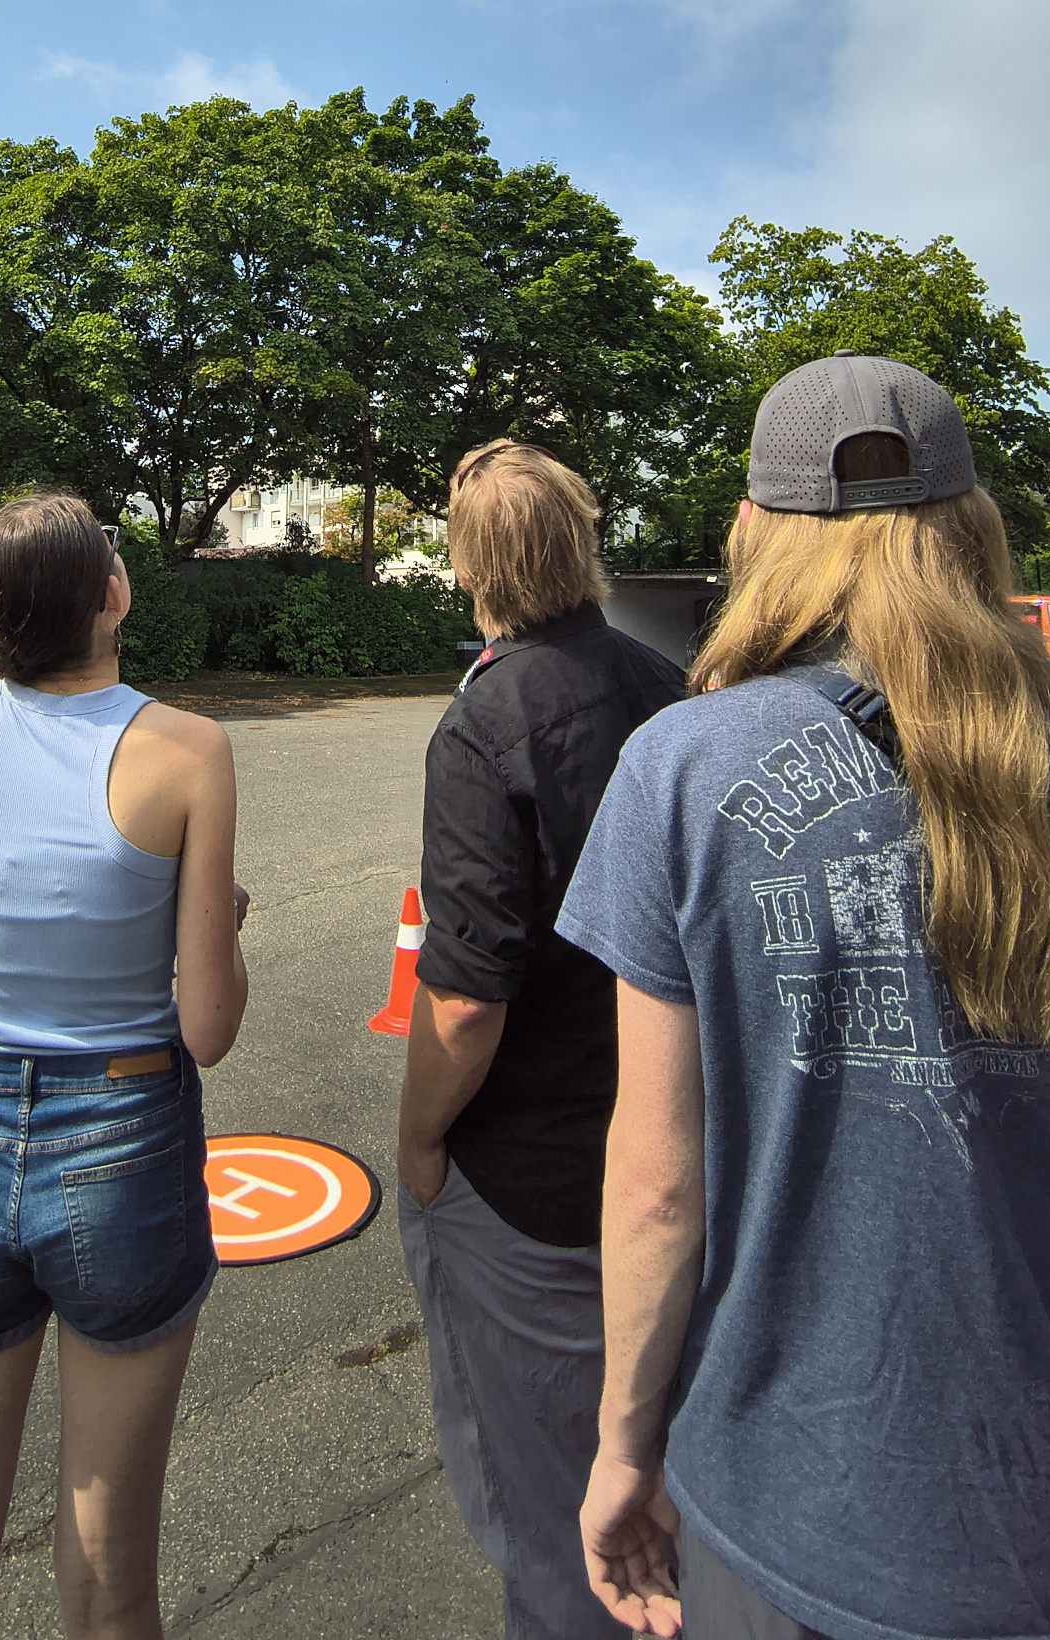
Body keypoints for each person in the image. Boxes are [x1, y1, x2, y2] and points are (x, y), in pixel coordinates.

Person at [558, 355, 1050, 1640]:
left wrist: (621, 1447)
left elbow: (658, 1185)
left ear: (756, 531)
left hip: (799, 1514)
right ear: (971, 525)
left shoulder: (680, 766)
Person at [0, 495, 248, 1640]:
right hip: (125, 1141)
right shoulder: (189, 749)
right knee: (106, 1579)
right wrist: (220, 926)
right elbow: (209, 1026)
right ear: (113, 595)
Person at [395, 440, 682, 1639]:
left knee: (562, 1540)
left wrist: (417, 1139)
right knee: (669, 1497)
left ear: (469, 568)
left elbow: (465, 998)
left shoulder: (485, 723)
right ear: (584, 541)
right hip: (679, 1154)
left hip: (538, 1187)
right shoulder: (671, 689)